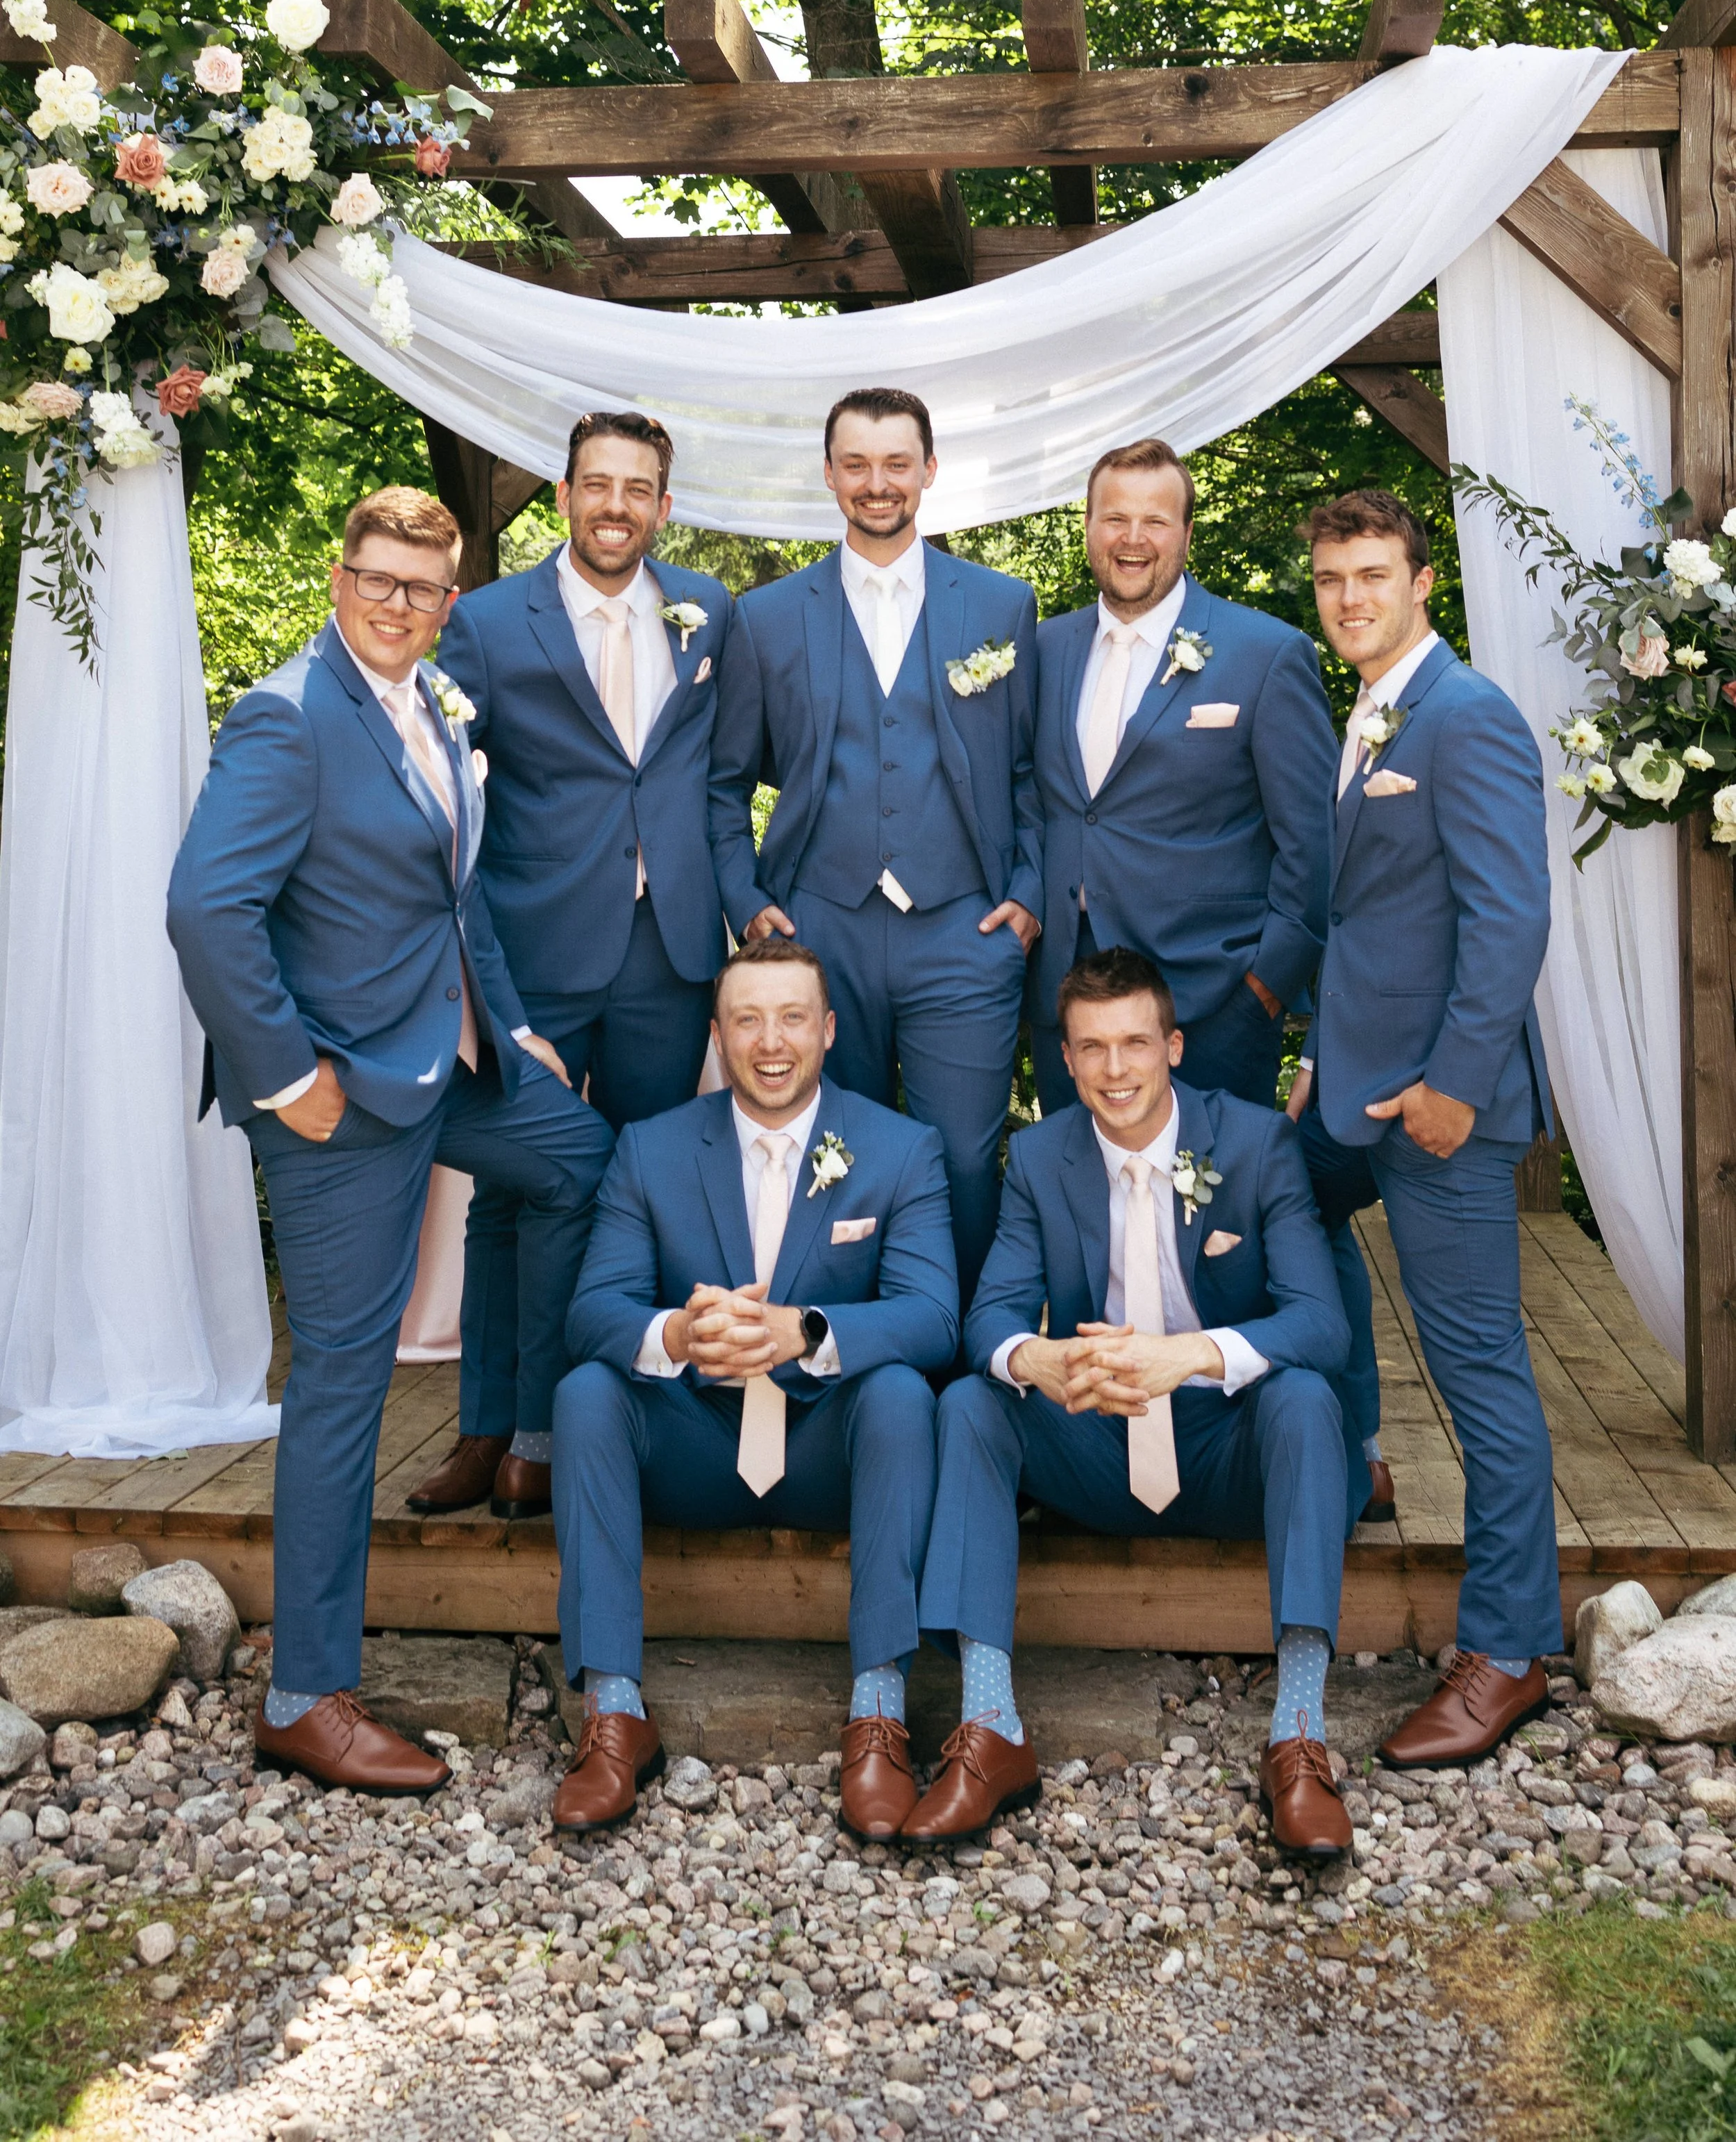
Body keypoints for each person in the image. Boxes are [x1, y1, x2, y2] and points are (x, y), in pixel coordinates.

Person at [167, 488, 614, 1795]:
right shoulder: (289, 714)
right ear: (339, 577)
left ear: (449, 599)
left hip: (456, 1059)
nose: (398, 604)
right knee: (344, 1381)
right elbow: (206, 908)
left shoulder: (435, 703)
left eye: (423, 587)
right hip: (343, 1094)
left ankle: (528, 1433)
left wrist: (514, 1030)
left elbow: (457, 897)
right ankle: (305, 1695)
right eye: (379, 579)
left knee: (581, 1162)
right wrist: (284, 1075)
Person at [912, 947, 1353, 1854]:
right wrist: (1039, 1358)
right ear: (1066, 1060)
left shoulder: (1254, 1143)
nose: (1115, 1069)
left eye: (1135, 1044)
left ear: (1173, 1047)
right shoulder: (1040, 1156)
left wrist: (1184, 1356)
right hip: (1099, 1446)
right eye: (1092, 1047)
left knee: (1306, 1399)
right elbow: (989, 1317)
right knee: (971, 1405)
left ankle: (1299, 1734)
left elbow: (1321, 1322)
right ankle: (990, 1726)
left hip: (1224, 1446)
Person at [1028, 436, 1385, 1523]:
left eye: (1155, 518)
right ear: (1088, 527)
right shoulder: (1042, 650)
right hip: (1071, 1002)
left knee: (1283, 1216)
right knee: (1093, 1213)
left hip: (1213, 1005)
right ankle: (1105, 1426)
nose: (1132, 537)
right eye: (1114, 516)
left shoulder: (1263, 654)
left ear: (1185, 531)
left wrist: (1266, 989)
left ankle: (1354, 1438)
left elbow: (1312, 851)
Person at [549, 936, 958, 1841]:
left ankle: (880, 1714)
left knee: (900, 1394)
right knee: (586, 1393)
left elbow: (935, 1316)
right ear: (717, 1034)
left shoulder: (899, 1148)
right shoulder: (650, 1147)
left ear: (829, 1029)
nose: (771, 1042)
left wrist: (806, 1331)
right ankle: (613, 1716)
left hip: (827, 1450)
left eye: (792, 1018)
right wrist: (679, 1335)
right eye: (748, 1020)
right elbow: (592, 1310)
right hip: (694, 1441)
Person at [406, 411, 736, 1524]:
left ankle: (608, 1423)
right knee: (511, 1191)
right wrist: (481, 983)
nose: (616, 506)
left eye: (638, 488)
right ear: (563, 495)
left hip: (669, 952)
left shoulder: (708, 610)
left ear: (664, 506)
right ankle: (491, 1428)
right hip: (536, 948)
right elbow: (449, 803)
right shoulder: (488, 621)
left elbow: (718, 775)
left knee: (646, 1190)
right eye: (597, 484)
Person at [1290, 488, 1559, 1767]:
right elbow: (1368, 915)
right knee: (1288, 1202)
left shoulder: (1468, 714)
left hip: (1443, 1105)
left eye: (1372, 575)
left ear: (1421, 582)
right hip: (1358, 1087)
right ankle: (1355, 1455)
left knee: (1479, 1370)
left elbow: (1510, 916)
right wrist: (1317, 1055)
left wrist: (1456, 1082)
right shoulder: (1371, 708)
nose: (1350, 597)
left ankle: (1508, 1648)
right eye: (1332, 578)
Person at [711, 388, 1042, 1303]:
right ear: (829, 475)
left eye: (897, 462)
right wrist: (746, 900)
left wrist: (1030, 891)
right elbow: (722, 780)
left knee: (966, 1157)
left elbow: (1032, 771)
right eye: (856, 464)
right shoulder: (768, 616)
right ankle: (846, 1350)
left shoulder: (1002, 606)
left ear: (929, 470)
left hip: (965, 928)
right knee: (834, 1158)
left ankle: (967, 1357)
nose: (877, 482)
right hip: (819, 928)